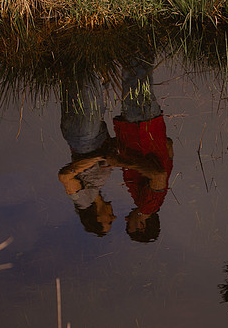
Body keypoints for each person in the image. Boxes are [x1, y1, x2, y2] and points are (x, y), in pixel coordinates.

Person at [107, 57, 174, 243]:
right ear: (142, 226)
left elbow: (169, 146)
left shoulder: (157, 199)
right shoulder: (148, 205)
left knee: (141, 73)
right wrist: (120, 161)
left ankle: (142, 38)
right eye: (131, 224)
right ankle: (135, 37)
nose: (127, 218)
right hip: (139, 124)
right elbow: (159, 174)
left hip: (148, 123)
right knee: (133, 72)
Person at [58, 70, 117, 236]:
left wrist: (97, 158)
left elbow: (65, 177)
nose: (114, 216)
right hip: (93, 133)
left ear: (99, 218)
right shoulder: (94, 193)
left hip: (84, 137)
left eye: (109, 220)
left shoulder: (83, 201)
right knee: (94, 77)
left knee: (85, 75)